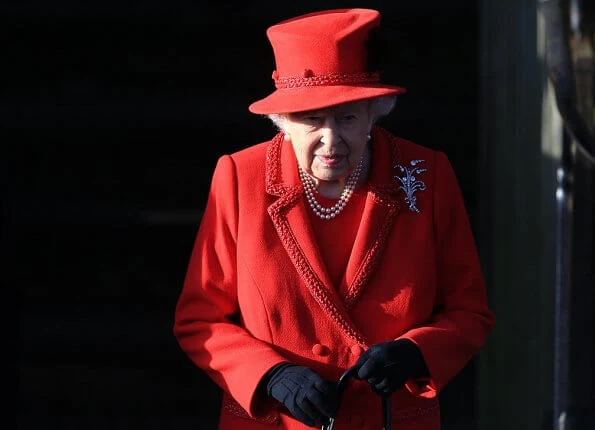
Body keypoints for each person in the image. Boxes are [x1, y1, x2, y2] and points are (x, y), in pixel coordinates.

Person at [173, 8, 495, 430]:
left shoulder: (426, 174)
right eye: (311, 119)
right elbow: (200, 320)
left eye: (346, 117)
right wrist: (270, 376)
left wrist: (418, 352)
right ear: (283, 122)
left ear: (373, 113)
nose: (331, 139)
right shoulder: (240, 178)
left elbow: (469, 312)